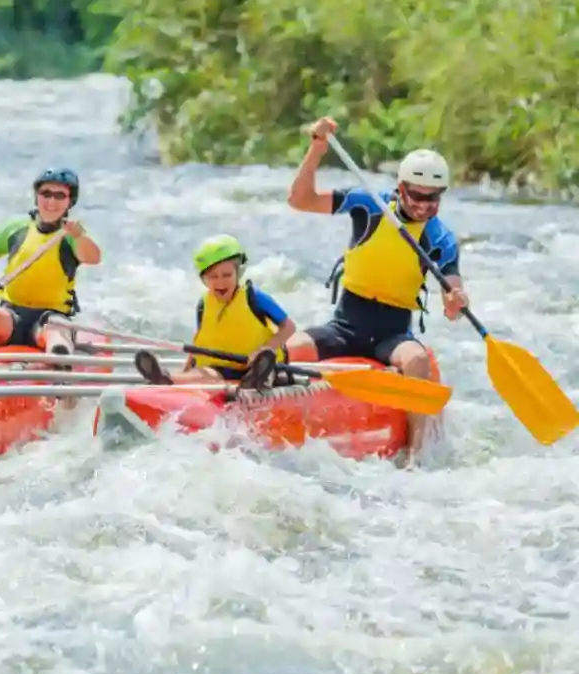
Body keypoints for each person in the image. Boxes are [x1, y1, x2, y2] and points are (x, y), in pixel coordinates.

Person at [284, 115, 469, 450]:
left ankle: (414, 455)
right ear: (401, 189)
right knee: (288, 348)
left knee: (417, 361)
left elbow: (452, 301)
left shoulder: (440, 237)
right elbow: (300, 200)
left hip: (392, 334)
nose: (425, 205)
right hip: (345, 325)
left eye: (434, 197)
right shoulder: (370, 205)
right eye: (417, 196)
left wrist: (455, 300)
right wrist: (316, 150)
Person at [0, 168, 102, 358]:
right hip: (10, 317)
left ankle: (59, 363)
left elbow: (93, 257)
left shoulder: (72, 235)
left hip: (50, 318)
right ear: (36, 196)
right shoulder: (18, 227)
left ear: (69, 202)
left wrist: (79, 235)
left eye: (60, 196)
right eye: (46, 194)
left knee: (56, 333)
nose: (51, 201)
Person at [134, 235, 297, 390]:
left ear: (238, 273)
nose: (220, 282)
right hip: (223, 369)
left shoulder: (255, 297)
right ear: (203, 279)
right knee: (206, 374)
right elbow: (199, 345)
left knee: (263, 370)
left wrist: (265, 348)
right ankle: (167, 379)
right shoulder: (204, 305)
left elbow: (288, 327)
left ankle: (255, 383)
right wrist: (184, 371)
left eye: (227, 275)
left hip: (262, 365)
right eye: (213, 276)